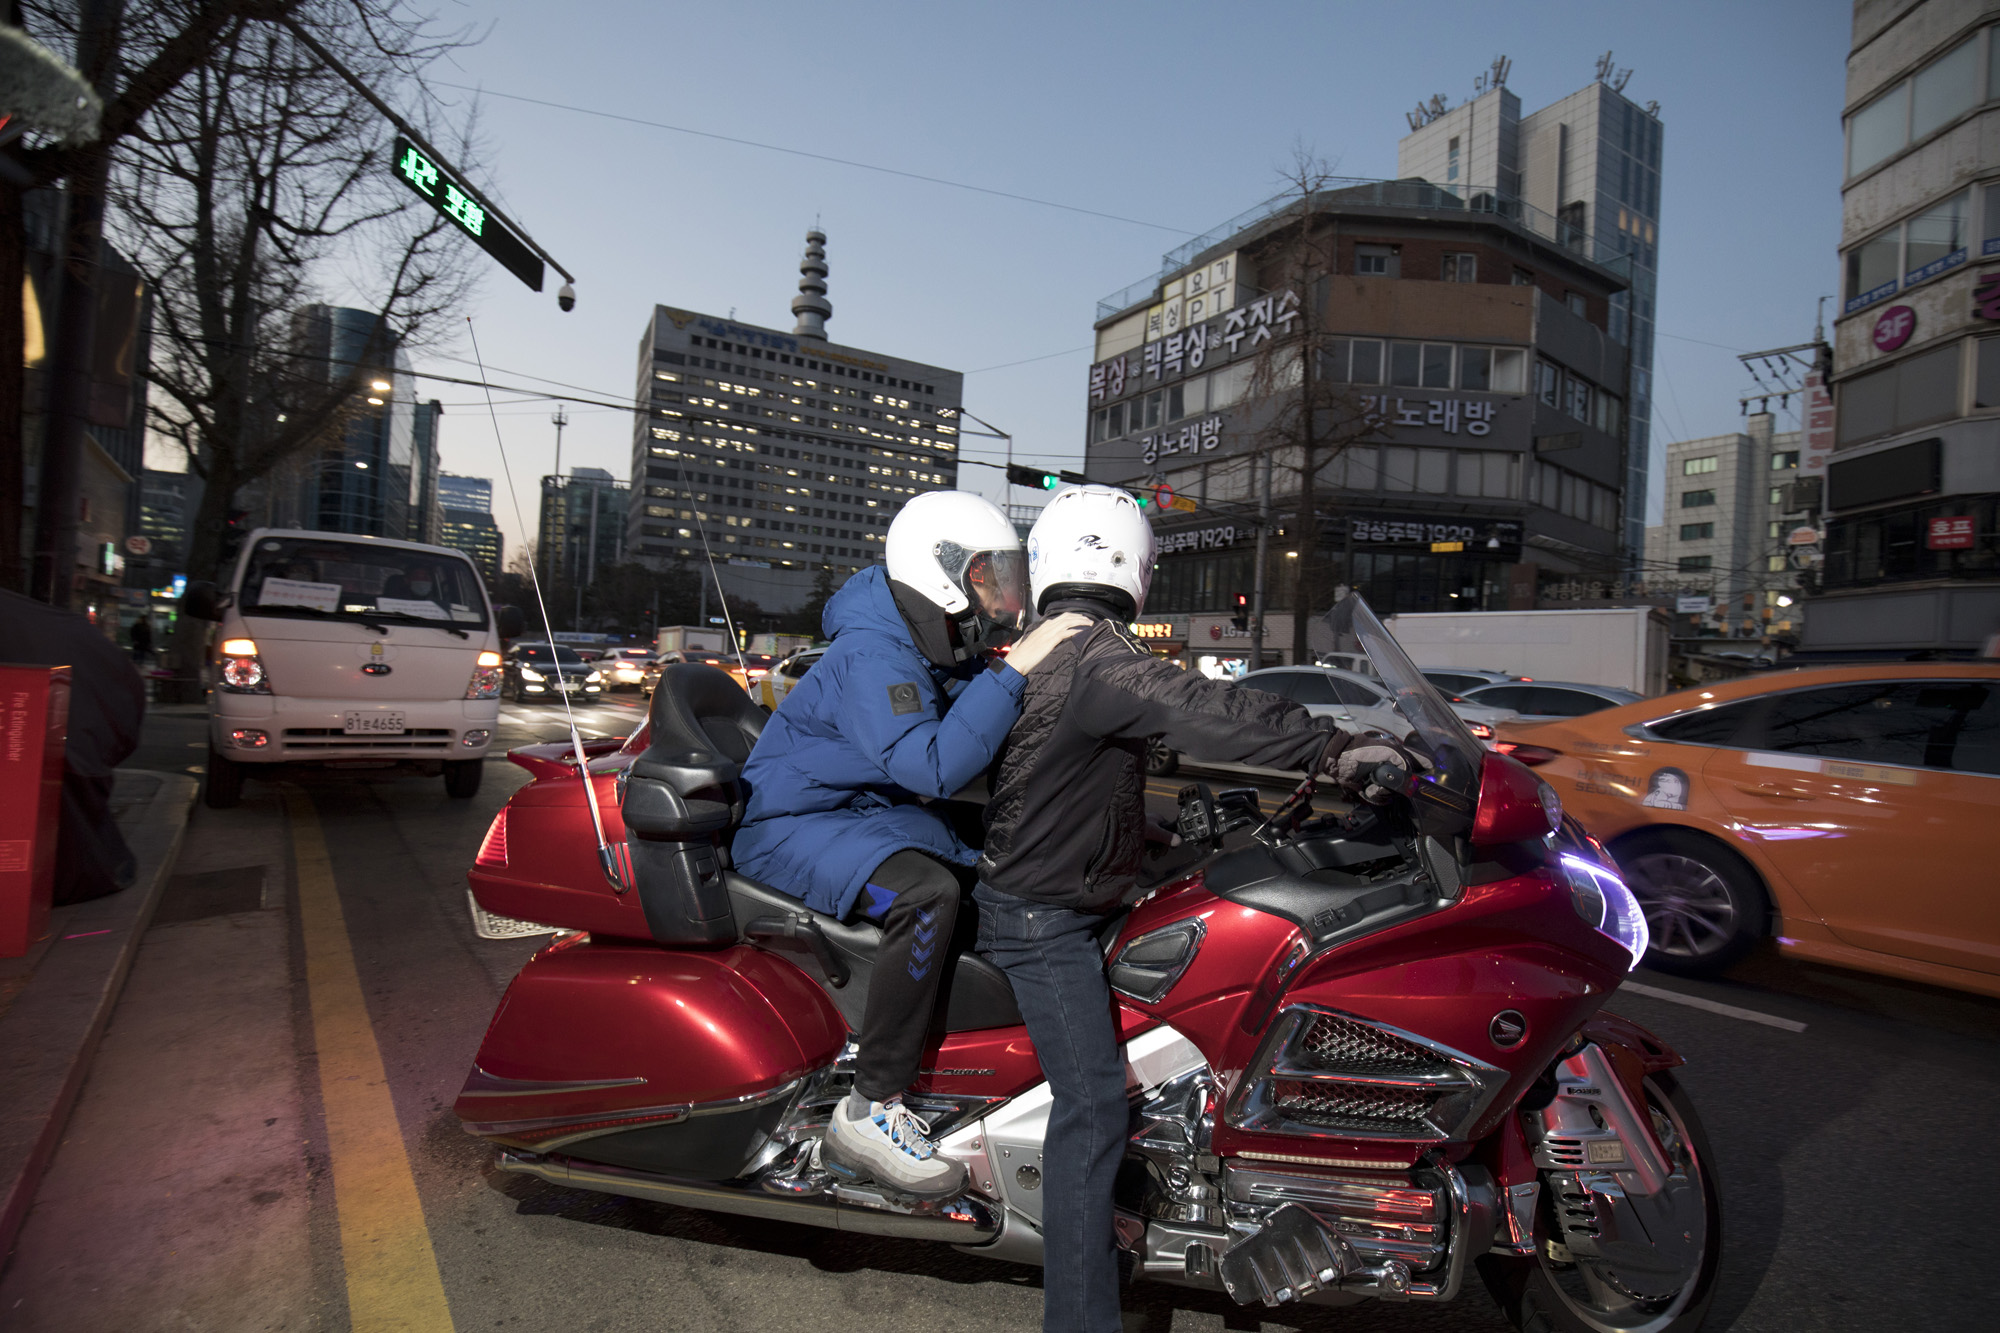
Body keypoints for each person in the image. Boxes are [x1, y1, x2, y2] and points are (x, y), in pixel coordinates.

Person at [976, 485, 1417, 1332]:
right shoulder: (1097, 656)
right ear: (1134, 565)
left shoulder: (1056, 648)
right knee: (1095, 1103)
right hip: (1041, 917)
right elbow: (1204, 704)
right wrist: (1333, 744)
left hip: (1064, 890)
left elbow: (1069, 782)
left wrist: (1171, 828)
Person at [731, 491, 1089, 1199]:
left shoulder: (921, 642)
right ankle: (869, 1107)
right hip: (791, 825)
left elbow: (985, 742)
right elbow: (930, 764)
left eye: (1002, 576)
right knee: (928, 894)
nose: (999, 594)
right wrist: (1015, 673)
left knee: (992, 859)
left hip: (856, 812)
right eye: (987, 577)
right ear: (940, 575)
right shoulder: (875, 652)